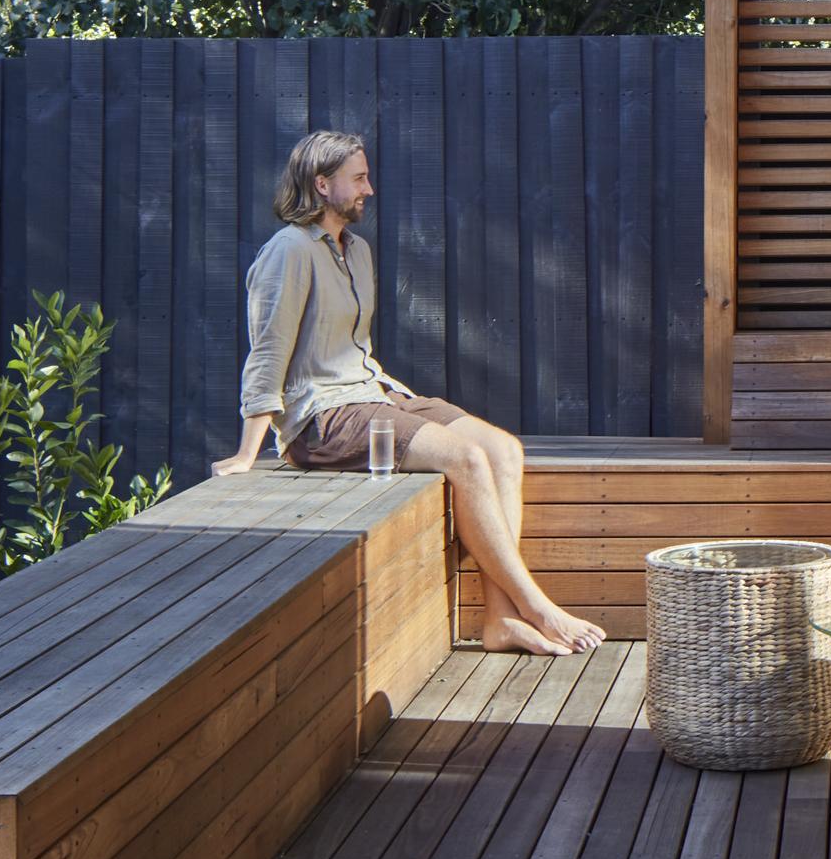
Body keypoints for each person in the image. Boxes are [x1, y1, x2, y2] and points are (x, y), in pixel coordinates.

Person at [220, 129, 604, 655]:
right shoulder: (288, 251)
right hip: (323, 418)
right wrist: (248, 452)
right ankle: (538, 607)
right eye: (358, 178)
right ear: (322, 184)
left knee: (502, 450)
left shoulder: (356, 251)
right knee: (465, 458)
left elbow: (355, 347)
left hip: (372, 392)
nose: (369, 189)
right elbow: (268, 350)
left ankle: (500, 620)